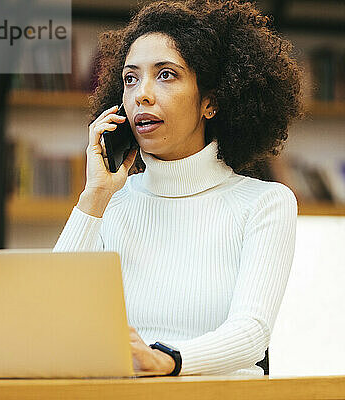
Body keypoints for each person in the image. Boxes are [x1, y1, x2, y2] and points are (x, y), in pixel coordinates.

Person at [53, 0, 305, 376]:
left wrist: (165, 360)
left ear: (211, 102)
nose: (142, 94)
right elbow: (49, 319)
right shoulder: (112, 204)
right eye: (130, 78)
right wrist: (94, 198)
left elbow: (251, 333)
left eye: (166, 75)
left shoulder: (265, 203)